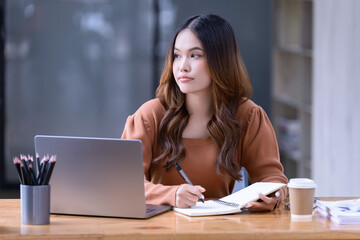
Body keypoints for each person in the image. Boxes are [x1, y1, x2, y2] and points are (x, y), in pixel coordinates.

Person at [121, 14, 288, 211]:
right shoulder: (149, 116)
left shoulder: (248, 115)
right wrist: (171, 195)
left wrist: (273, 196)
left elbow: (272, 178)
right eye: (177, 55)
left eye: (195, 55)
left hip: (221, 227)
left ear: (221, 60)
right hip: (158, 229)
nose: (182, 66)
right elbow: (123, 183)